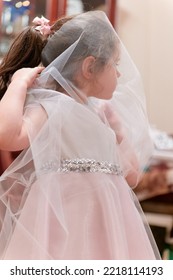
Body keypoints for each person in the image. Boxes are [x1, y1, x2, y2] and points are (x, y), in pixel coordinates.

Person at [0, 11, 161, 259]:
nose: (118, 74)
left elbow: (130, 175)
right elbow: (7, 135)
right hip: (63, 221)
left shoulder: (102, 114)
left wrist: (118, 133)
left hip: (109, 223)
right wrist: (18, 84)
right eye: (114, 64)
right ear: (89, 67)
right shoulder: (52, 107)